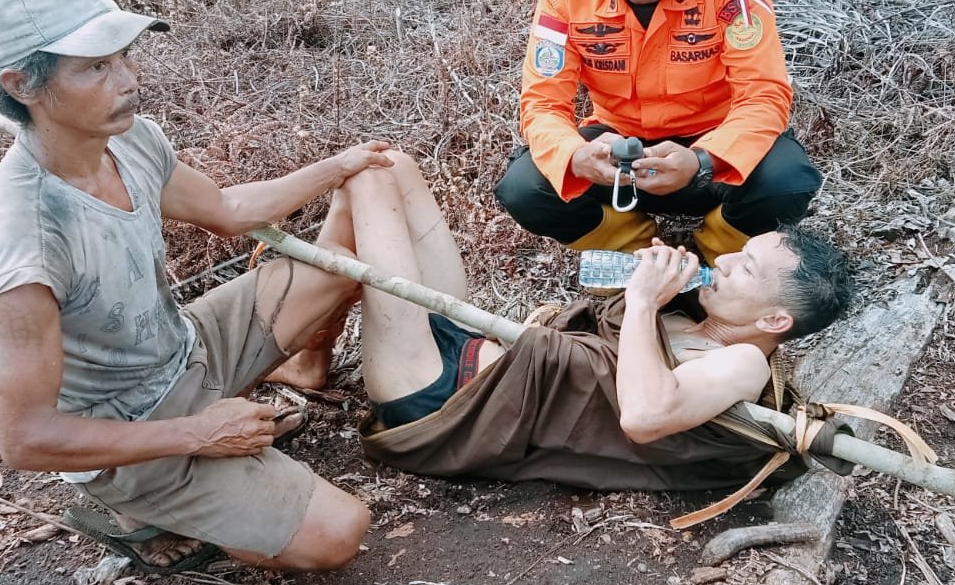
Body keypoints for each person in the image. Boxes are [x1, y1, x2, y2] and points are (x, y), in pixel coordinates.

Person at [0, 0, 394, 573]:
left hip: (183, 348)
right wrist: (199, 434)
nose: (127, 80)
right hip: (129, 431)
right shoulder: (22, 241)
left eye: (124, 56)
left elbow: (226, 208)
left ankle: (292, 375)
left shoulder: (128, 139)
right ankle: (135, 511)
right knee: (338, 534)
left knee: (338, 267)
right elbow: (26, 438)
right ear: (21, 86)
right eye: (95, 67)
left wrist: (336, 167)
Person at [346, 152, 854, 490]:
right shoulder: (694, 312)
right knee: (390, 165)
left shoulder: (745, 363)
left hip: (448, 401)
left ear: (774, 319)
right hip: (471, 347)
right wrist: (654, 294)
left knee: (369, 180)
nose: (724, 260)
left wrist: (642, 302)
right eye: (739, 251)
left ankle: (311, 345)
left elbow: (645, 416)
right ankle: (312, 352)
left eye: (746, 268)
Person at [494, 0, 824, 265]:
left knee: (788, 181)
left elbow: (764, 95)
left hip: (712, 152)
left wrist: (702, 161)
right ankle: (633, 251)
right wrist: (577, 157)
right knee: (524, 188)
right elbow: (542, 104)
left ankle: (715, 255)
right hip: (617, 157)